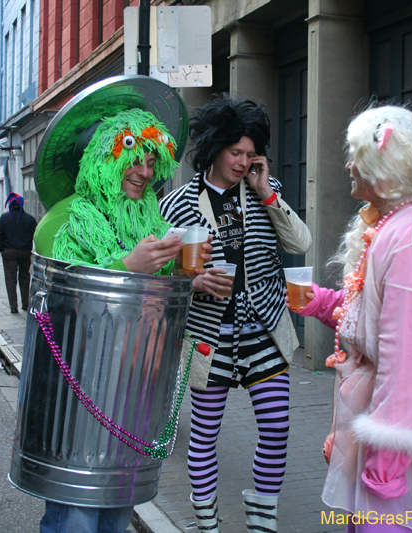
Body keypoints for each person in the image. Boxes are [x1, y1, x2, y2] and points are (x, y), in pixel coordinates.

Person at [289, 106, 412, 533]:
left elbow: (411, 363)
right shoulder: (396, 227)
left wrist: (386, 465)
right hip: (381, 430)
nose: (347, 165)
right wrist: (320, 302)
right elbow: (374, 318)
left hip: (394, 445)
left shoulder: (410, 240)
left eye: (355, 155)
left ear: (380, 165)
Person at [33, 107, 213, 533]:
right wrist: (127, 267)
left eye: (152, 162)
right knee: (75, 517)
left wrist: (191, 278)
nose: (144, 171)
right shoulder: (64, 219)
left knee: (117, 509)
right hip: (75, 396)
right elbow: (62, 301)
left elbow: (159, 295)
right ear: (102, 157)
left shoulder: (152, 218)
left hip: (134, 391)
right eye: (133, 158)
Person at [159, 95, 311, 533]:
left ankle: (262, 525)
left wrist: (267, 193)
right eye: (236, 153)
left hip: (264, 328)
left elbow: (299, 243)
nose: (244, 162)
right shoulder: (178, 204)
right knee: (204, 436)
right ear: (214, 149)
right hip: (210, 332)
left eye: (251, 154)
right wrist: (194, 283)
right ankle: (206, 525)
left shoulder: (265, 191)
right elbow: (164, 279)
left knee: (277, 428)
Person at [0, 194, 37, 313]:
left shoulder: (4, 218)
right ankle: (25, 304)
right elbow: (36, 235)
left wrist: (0, 248)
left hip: (9, 252)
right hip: (24, 252)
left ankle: (13, 307)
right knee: (24, 277)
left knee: (10, 279)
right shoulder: (29, 219)